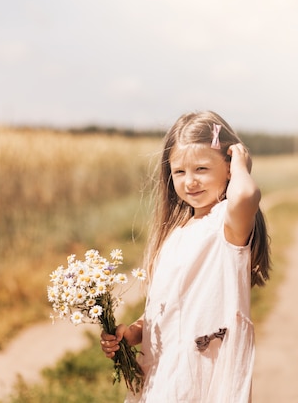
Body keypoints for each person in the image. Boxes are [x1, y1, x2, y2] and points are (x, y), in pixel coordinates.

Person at [101, 110, 271, 402]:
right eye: (179, 172)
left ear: (228, 168)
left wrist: (241, 162)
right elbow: (169, 306)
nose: (190, 181)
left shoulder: (227, 225)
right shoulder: (175, 231)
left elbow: (245, 196)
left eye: (202, 169)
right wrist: (133, 332)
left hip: (202, 374)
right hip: (162, 372)